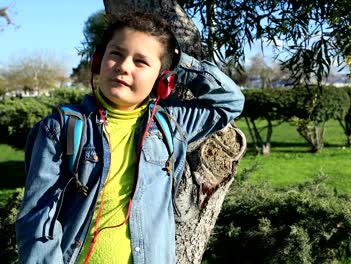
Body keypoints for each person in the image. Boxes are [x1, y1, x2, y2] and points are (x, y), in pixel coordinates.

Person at [16, 13, 244, 264]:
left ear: (163, 81)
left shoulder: (170, 126)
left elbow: (230, 101)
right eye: (115, 53)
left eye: (141, 62)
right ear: (97, 62)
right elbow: (38, 221)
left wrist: (180, 64)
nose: (124, 66)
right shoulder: (61, 129)